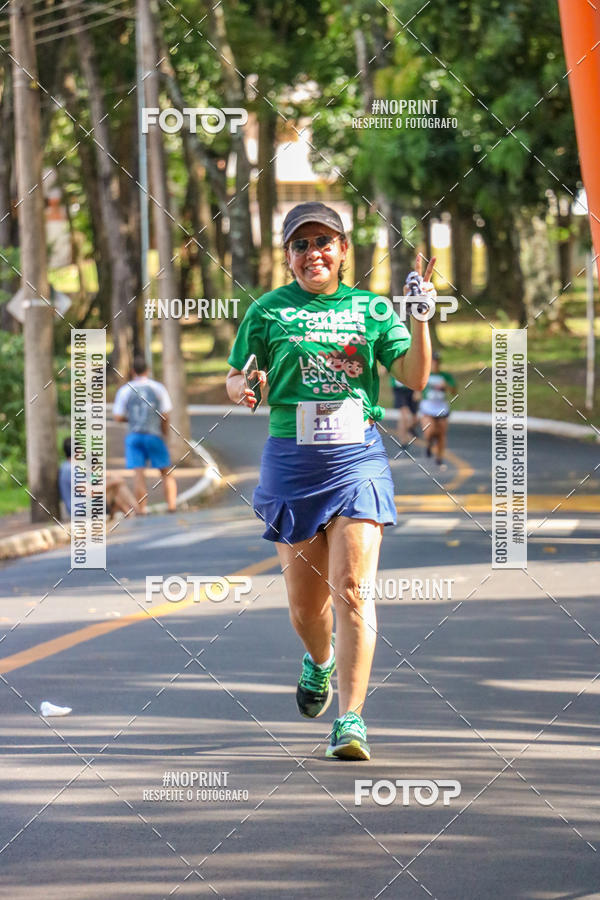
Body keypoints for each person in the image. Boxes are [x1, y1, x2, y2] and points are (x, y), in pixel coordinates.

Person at [225, 201, 434, 760]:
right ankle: (319, 661)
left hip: (356, 458)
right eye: (301, 244)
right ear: (288, 255)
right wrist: (244, 387)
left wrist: (420, 317)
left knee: (352, 589)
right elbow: (234, 376)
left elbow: (414, 376)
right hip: (291, 462)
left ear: (343, 250)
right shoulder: (267, 311)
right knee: (306, 609)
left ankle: (350, 719)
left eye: (324, 242)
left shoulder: (371, 308)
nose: (312, 253)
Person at [113, 356, 177, 513]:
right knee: (166, 472)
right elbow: (165, 415)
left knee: (138, 474)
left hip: (134, 436)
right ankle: (171, 506)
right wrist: (164, 432)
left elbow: (118, 417)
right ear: (147, 370)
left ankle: (141, 509)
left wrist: (133, 419)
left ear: (132, 371)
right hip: (153, 433)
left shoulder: (125, 390)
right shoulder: (158, 388)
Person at [58, 437, 139, 518]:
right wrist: (113, 482)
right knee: (116, 486)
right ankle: (137, 511)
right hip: (81, 509)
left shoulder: (68, 467)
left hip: (82, 506)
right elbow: (90, 492)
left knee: (116, 489)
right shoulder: (71, 470)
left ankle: (133, 513)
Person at [418, 351, 457, 469]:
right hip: (428, 407)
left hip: (441, 407)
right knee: (429, 431)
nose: (435, 364)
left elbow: (454, 391)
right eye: (433, 361)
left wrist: (446, 386)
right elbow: (417, 389)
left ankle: (439, 458)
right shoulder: (424, 374)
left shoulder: (445, 376)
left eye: (437, 362)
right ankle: (429, 443)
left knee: (441, 434)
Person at [390, 374, 419, 447]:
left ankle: (409, 429)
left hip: (411, 388)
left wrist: (417, 391)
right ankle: (403, 441)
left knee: (415, 418)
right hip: (399, 390)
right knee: (404, 415)